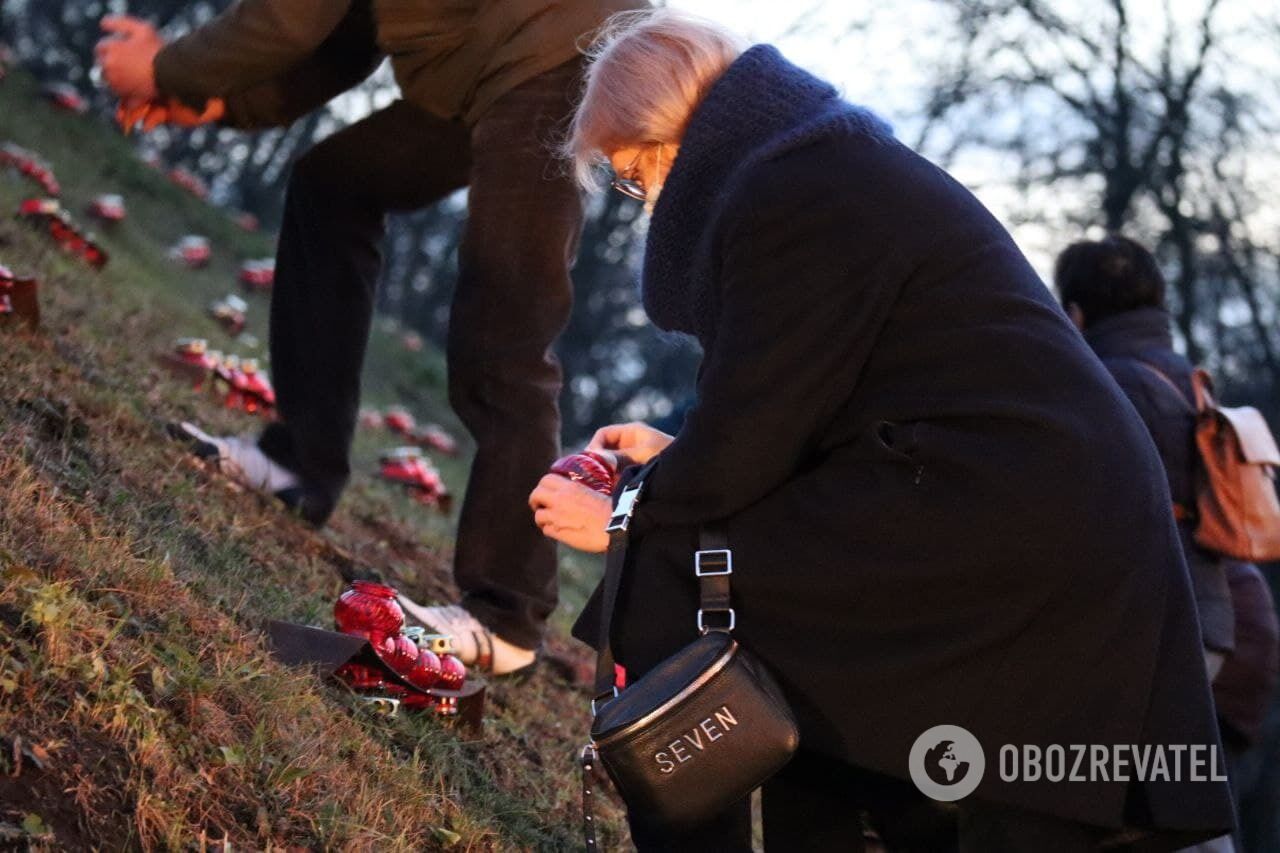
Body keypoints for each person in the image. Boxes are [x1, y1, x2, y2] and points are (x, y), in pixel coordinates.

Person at [528, 9, 1234, 850]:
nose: (644, 206)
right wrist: (679, 462)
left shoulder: (788, 188)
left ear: (670, 139)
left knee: (666, 571)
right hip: (1015, 494)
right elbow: (789, 410)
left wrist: (621, 515)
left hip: (1003, 505)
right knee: (729, 569)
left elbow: (752, 440)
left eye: (635, 175)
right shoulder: (815, 163)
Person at [95, 0, 643, 675]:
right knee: (335, 184)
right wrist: (222, 103)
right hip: (480, 61)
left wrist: (166, 68)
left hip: (557, 54)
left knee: (506, 332)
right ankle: (301, 464)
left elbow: (292, 17)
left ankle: (507, 613)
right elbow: (346, 29)